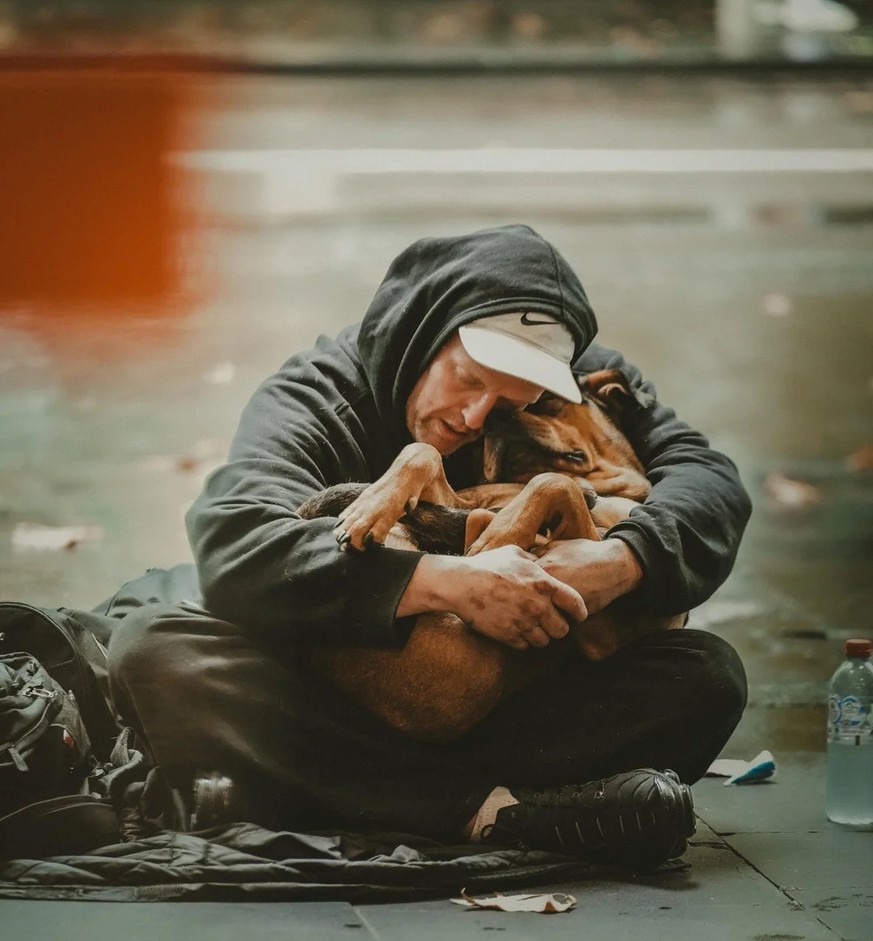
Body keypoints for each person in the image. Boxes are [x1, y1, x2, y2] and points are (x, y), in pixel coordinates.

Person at [108, 225, 750, 868]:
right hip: (337, 699)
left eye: (506, 403)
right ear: (425, 333)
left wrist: (624, 559)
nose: (473, 418)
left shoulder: (574, 376)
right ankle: (493, 812)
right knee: (155, 651)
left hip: (490, 711)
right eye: (466, 380)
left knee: (708, 679)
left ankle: (357, 794)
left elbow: (709, 479)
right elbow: (234, 539)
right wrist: (446, 584)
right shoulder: (316, 395)